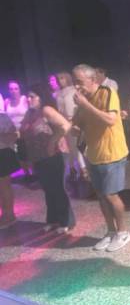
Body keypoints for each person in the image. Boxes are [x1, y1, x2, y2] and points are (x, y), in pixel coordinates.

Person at [72, 64, 130, 252]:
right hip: (94, 154)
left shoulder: (108, 92)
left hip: (112, 153)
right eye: (74, 82)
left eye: (79, 82)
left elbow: (111, 119)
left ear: (92, 80)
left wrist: (86, 105)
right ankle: (111, 231)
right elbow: (76, 127)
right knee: (101, 196)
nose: (76, 86)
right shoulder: (84, 101)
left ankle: (123, 232)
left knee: (111, 195)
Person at [20, 84, 75, 234]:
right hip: (38, 157)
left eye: (32, 96)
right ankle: (53, 220)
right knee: (48, 189)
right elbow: (23, 131)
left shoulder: (46, 110)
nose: (29, 99)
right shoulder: (30, 113)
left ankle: (66, 221)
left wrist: (53, 141)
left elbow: (66, 125)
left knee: (58, 188)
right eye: (28, 97)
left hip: (54, 154)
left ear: (40, 97)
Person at [56, 71, 87, 181]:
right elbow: (59, 110)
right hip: (63, 122)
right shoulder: (59, 93)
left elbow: (78, 107)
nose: (60, 80)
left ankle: (83, 169)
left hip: (74, 121)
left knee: (75, 146)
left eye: (62, 78)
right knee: (69, 147)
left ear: (68, 78)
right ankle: (73, 168)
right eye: (59, 78)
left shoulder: (74, 90)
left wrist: (77, 121)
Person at [4, 80, 32, 180]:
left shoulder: (25, 99)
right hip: (13, 133)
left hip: (26, 131)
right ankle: (27, 174)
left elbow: (31, 114)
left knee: (29, 153)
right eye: (11, 89)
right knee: (19, 155)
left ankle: (35, 173)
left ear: (19, 89)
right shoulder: (7, 102)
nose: (13, 91)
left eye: (16, 88)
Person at [0, 111, 19, 229]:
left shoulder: (3, 117)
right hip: (4, 152)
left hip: (3, 153)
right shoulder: (3, 117)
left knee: (4, 186)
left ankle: (9, 215)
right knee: (3, 186)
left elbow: (13, 135)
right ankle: (7, 215)